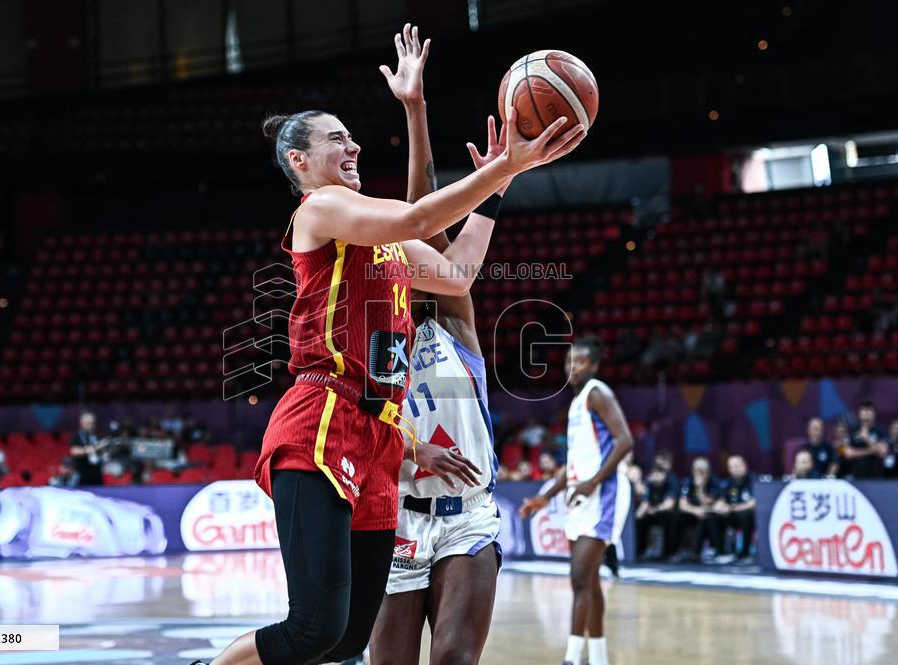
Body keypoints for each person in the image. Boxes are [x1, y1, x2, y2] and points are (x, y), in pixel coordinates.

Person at [203, 22, 587, 665]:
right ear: (300, 161)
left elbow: (457, 270)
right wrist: (499, 164)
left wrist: (501, 179)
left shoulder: (387, 250)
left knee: (348, 639)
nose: (352, 145)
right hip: (319, 419)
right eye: (335, 138)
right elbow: (418, 214)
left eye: (352, 136)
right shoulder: (319, 210)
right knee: (315, 630)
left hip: (380, 435)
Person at [369, 27, 506, 665]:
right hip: (395, 518)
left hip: (468, 517)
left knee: (454, 658)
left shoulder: (453, 319)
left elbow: (422, 206)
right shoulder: (370, 341)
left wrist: (416, 110)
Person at [520, 336, 633, 665]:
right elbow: (571, 465)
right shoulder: (577, 403)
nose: (573, 366)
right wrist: (544, 498)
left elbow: (626, 440)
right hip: (585, 492)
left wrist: (593, 481)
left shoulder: (598, 392)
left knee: (580, 578)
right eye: (570, 361)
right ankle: (598, 659)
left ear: (594, 365)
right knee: (590, 582)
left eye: (581, 361)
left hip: (606, 492)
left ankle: (571, 659)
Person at [673, 456, 723, 563]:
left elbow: (708, 502)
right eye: (697, 470)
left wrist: (700, 488)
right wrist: (695, 510)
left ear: (708, 471)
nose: (699, 474)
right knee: (676, 515)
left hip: (709, 514)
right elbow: (682, 504)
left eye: (703, 471)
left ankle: (711, 551)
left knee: (707, 518)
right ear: (693, 470)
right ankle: (677, 551)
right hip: (693, 513)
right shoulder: (688, 481)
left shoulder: (714, 482)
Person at [713, 455, 755, 563]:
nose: (735, 469)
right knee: (715, 516)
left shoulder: (753, 479)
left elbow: (753, 503)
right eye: (732, 467)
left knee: (746, 515)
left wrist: (731, 508)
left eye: (738, 465)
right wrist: (720, 506)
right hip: (734, 514)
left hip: (750, 516)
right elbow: (722, 499)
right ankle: (721, 552)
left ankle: (745, 554)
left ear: (745, 465)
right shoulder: (730, 481)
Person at [636, 463, 679, 560]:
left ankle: (667, 553)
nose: (657, 477)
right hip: (652, 514)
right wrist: (637, 517)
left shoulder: (670, 484)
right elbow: (644, 503)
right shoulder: (649, 485)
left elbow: (669, 504)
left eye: (659, 474)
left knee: (669, 518)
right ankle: (640, 552)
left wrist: (655, 509)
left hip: (665, 514)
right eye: (654, 474)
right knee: (640, 521)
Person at [842, 401, 887, 478]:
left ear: (874, 414)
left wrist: (867, 438)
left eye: (869, 410)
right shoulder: (853, 431)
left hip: (876, 476)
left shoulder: (881, 431)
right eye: (864, 411)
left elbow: (882, 453)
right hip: (857, 476)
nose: (866, 414)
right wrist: (871, 451)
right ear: (859, 414)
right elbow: (847, 454)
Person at [69, 411, 105, 486]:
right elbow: (74, 451)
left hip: (97, 475)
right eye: (88, 423)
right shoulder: (77, 437)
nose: (91, 426)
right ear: (82, 424)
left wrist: (103, 449)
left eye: (93, 423)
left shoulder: (97, 436)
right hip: (82, 475)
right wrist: (89, 450)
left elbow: (101, 452)